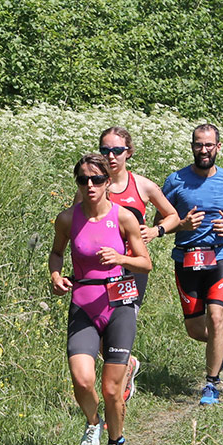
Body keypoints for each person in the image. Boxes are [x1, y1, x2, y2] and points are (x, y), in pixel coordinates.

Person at [50, 153, 152, 445]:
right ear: (77, 183)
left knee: (110, 388)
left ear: (108, 182)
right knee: (82, 380)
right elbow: (56, 252)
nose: (90, 185)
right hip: (83, 304)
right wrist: (55, 275)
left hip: (119, 303)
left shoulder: (124, 218)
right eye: (83, 180)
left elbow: (146, 263)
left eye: (96, 179)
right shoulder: (68, 218)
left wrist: (122, 259)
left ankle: (116, 443)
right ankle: (93, 424)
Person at [74, 127, 184, 405]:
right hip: (96, 274)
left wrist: (156, 231)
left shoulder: (142, 186)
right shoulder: (91, 184)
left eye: (117, 151)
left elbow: (173, 215)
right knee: (97, 334)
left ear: (129, 153)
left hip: (130, 271)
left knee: (119, 328)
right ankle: (129, 365)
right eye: (105, 151)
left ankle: (117, 394)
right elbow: (77, 222)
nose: (111, 156)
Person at [161, 124, 223, 406]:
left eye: (209, 145)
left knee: (216, 316)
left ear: (218, 147)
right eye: (199, 145)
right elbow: (159, 224)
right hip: (186, 257)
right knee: (195, 329)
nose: (204, 150)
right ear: (192, 147)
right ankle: (220, 340)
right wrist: (182, 224)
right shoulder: (175, 181)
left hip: (220, 255)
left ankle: (211, 384)